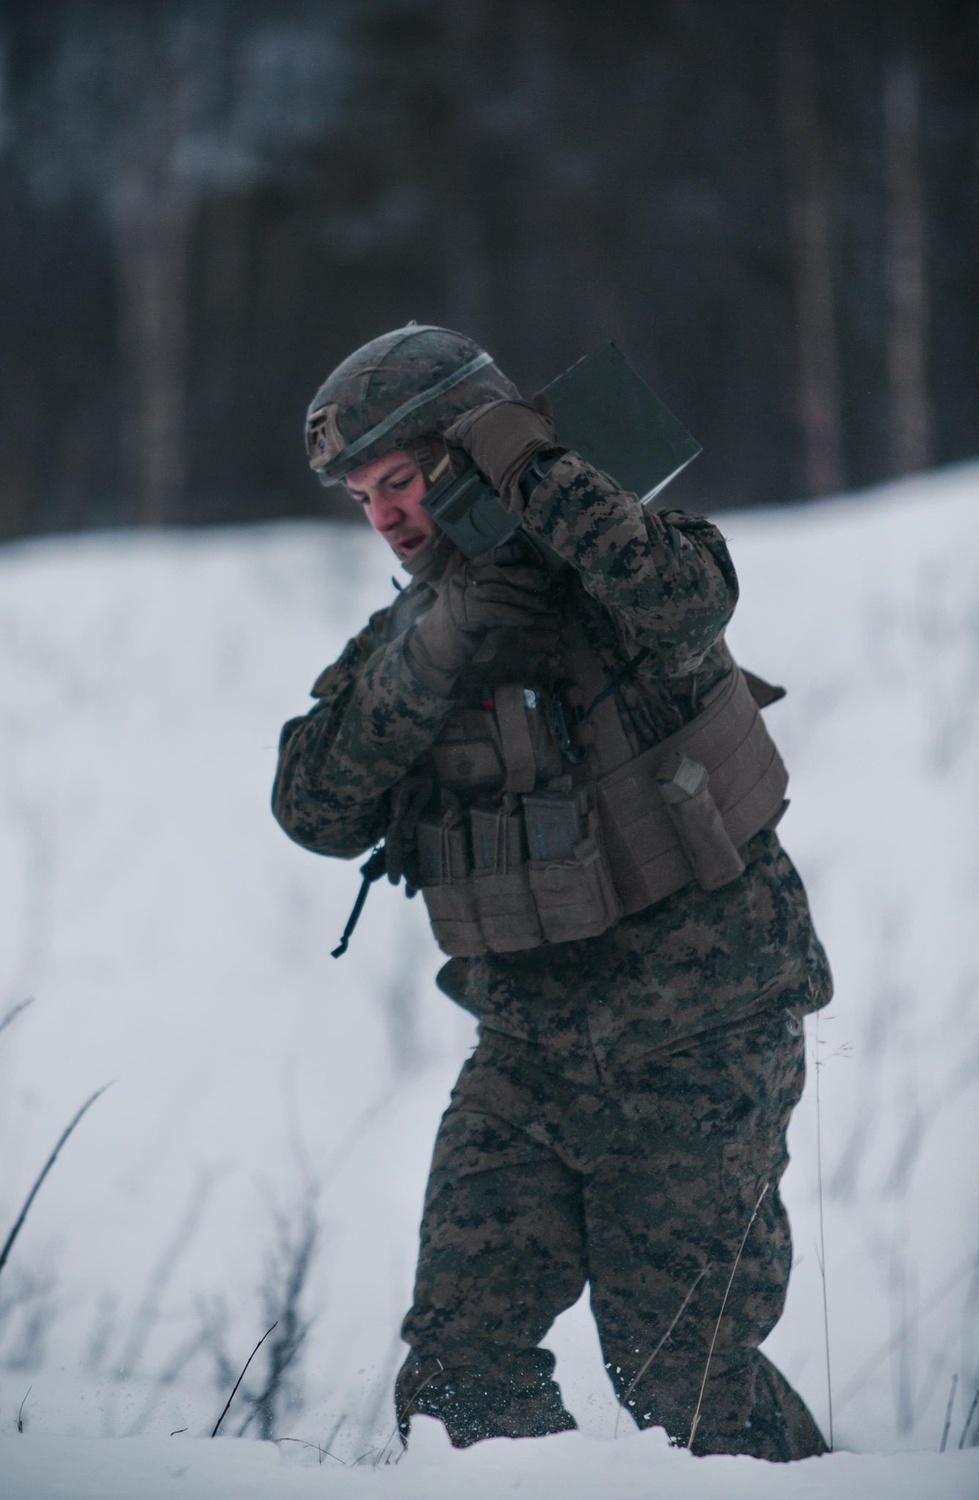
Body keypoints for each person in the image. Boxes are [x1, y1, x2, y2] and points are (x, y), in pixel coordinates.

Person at [272, 324, 833, 1460]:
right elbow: (313, 807)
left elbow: (686, 600)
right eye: (361, 496)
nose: (383, 515)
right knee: (458, 1378)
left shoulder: (627, 568)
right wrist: (435, 659)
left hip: (703, 1033)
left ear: (471, 451)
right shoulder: (411, 641)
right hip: (527, 1051)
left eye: (404, 480)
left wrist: (536, 471)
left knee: (686, 1377)